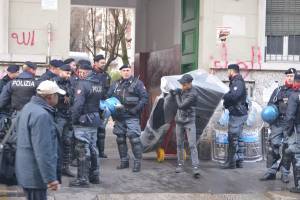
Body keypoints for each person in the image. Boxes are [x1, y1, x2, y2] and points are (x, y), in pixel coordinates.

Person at [15, 80, 65, 200]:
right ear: (50, 97)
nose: (58, 97)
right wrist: (51, 178)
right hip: (35, 174)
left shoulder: (28, 107)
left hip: (26, 170)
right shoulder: (42, 116)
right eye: (57, 95)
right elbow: (43, 151)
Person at [107, 64, 148, 172]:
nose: (126, 72)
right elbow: (108, 96)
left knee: (134, 139)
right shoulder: (115, 84)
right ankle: (124, 161)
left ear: (131, 71)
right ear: (121, 72)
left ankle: (137, 163)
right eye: (124, 70)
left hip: (132, 116)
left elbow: (144, 98)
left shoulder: (138, 83)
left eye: (128, 70)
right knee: (120, 139)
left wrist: (136, 109)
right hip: (119, 117)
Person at [69, 61, 102, 187]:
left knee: (82, 149)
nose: (79, 73)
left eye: (81, 71)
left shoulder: (82, 84)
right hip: (94, 119)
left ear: (85, 71)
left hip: (83, 120)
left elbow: (78, 105)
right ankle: (94, 175)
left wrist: (73, 119)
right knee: (94, 148)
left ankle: (83, 179)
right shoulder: (97, 83)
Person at [260, 68, 296, 183]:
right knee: (272, 146)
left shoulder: (297, 92)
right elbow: (270, 104)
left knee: (287, 149)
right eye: (288, 76)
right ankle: (271, 171)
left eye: (292, 76)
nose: (290, 78)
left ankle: (285, 174)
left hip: (290, 124)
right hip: (277, 122)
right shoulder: (278, 90)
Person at [170, 74, 200, 178]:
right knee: (179, 144)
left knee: (192, 145)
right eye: (181, 84)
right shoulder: (184, 89)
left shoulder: (193, 94)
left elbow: (181, 106)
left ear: (190, 84)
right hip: (179, 120)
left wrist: (176, 95)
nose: (182, 86)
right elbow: (178, 94)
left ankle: (195, 167)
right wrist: (174, 92)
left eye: (184, 84)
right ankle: (180, 164)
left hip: (189, 121)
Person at [221, 64, 248, 169]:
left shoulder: (237, 82)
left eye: (228, 71)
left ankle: (231, 163)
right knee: (239, 137)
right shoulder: (236, 81)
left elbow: (234, 96)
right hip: (240, 113)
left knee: (232, 137)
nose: (227, 73)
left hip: (237, 113)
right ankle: (239, 161)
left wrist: (223, 95)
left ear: (232, 71)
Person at [53, 64, 75, 177]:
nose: (68, 75)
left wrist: (68, 95)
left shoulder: (70, 82)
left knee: (67, 142)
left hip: (68, 115)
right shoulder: (54, 82)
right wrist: (64, 96)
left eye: (70, 73)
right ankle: (55, 169)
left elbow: (74, 94)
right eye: (67, 73)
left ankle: (65, 167)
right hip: (58, 115)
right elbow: (53, 96)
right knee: (56, 142)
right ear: (60, 71)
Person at [285, 73, 300, 193]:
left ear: (295, 82)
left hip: (298, 129)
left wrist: (288, 131)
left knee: (298, 156)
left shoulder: (294, 95)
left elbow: (290, 116)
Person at [93, 54, 111, 158]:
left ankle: (101, 152)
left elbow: (108, 89)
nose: (103, 64)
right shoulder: (90, 74)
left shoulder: (106, 75)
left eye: (104, 63)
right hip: (93, 104)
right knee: (93, 129)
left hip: (103, 104)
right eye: (102, 63)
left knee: (102, 129)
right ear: (95, 63)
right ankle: (94, 151)